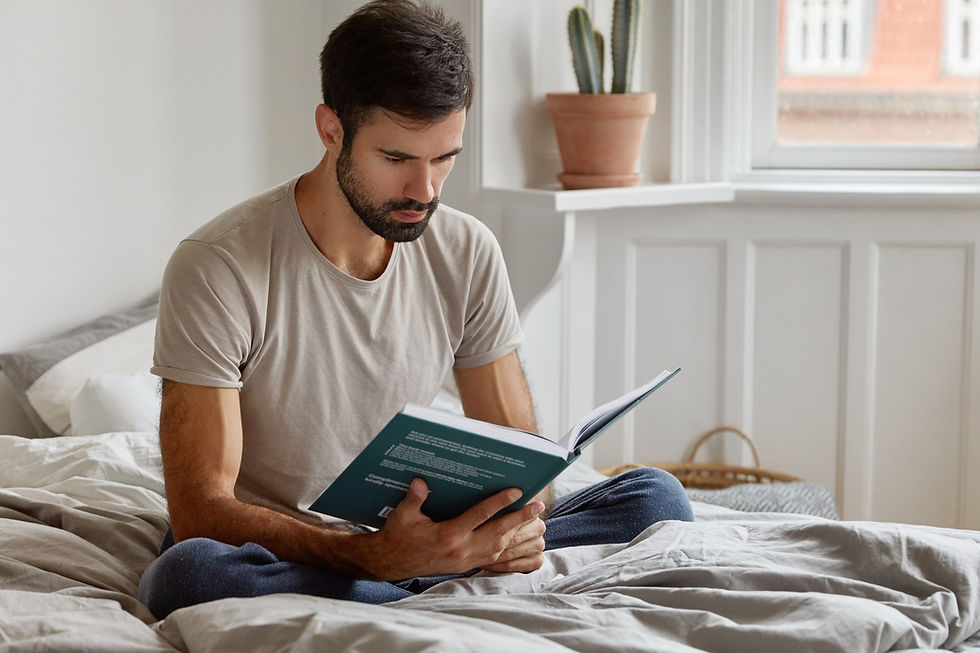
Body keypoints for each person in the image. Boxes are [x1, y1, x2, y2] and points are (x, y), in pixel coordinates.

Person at [138, 0, 693, 619]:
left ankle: (416, 586)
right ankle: (416, 590)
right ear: (330, 129)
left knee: (654, 497)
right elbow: (198, 511)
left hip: (432, 538)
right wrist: (369, 557)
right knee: (186, 575)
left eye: (444, 158)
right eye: (398, 159)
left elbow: (522, 459)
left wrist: (515, 528)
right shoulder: (218, 266)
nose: (424, 191)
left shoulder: (467, 248)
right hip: (293, 550)